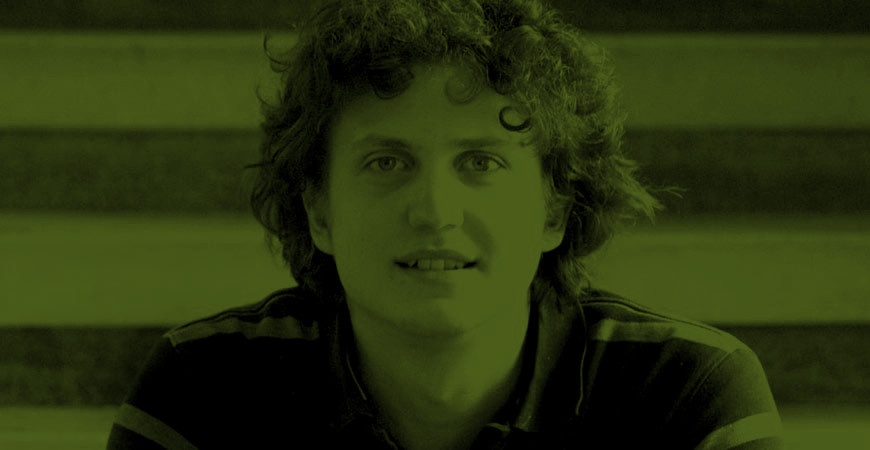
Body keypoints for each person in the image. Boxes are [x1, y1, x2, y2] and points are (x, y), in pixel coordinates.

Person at [107, 0, 783, 448]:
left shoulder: (685, 393)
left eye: (481, 162)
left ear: (554, 210)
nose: (433, 210)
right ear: (319, 211)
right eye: (386, 162)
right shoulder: (201, 391)